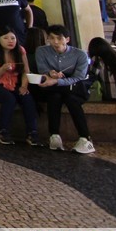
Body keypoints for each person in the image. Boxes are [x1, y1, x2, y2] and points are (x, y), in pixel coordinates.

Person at [33, 25, 95, 154]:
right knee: (54, 97)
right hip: (53, 88)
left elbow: (79, 77)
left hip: (74, 88)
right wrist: (50, 74)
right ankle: (54, 135)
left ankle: (85, 138)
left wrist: (57, 81)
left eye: (59, 38)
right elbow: (42, 70)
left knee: (71, 99)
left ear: (67, 39)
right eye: (51, 38)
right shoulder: (42, 51)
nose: (55, 42)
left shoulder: (80, 54)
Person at [0, 26, 41, 146]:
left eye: (13, 38)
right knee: (9, 99)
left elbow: (26, 71)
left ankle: (32, 133)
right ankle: (3, 131)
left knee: (27, 98)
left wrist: (24, 86)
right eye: (6, 38)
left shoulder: (20, 50)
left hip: (13, 83)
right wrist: (2, 69)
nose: (10, 41)